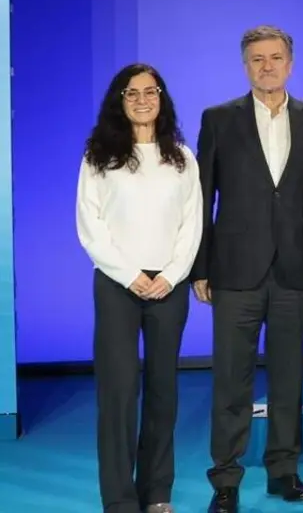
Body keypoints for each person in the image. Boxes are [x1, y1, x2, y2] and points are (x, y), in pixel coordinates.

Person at [193, 26, 303, 513]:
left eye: (275, 58)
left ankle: (284, 470)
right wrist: (200, 268)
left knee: (289, 377)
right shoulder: (218, 119)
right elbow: (201, 198)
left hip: (297, 268)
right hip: (234, 271)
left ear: (290, 64)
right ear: (245, 65)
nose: (267, 66)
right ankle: (225, 479)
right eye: (257, 59)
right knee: (231, 379)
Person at [76, 64, 202, 513]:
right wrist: (129, 274)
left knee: (164, 391)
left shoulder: (182, 158)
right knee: (118, 392)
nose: (143, 100)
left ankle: (157, 493)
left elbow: (192, 223)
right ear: (120, 100)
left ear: (162, 98)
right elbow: (90, 225)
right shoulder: (99, 156)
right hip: (117, 284)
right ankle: (119, 500)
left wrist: (172, 273)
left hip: (170, 285)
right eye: (132, 93)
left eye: (151, 92)